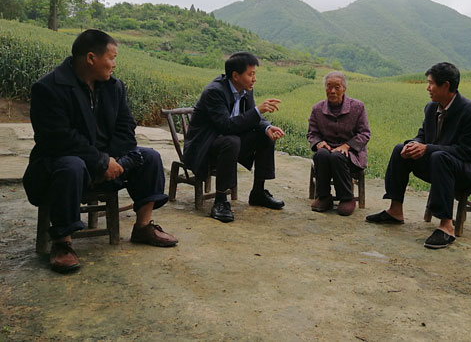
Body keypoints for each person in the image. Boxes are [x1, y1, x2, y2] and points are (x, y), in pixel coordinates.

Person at [23, 29, 178, 274]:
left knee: (150, 157)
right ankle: (62, 242)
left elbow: (126, 127)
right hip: (59, 162)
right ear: (91, 58)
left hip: (107, 159)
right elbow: (58, 138)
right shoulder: (48, 88)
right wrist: (100, 162)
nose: (114, 64)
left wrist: (112, 161)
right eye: (111, 58)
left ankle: (143, 227)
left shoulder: (114, 87)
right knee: (71, 166)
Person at [365, 62, 471, 249]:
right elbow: (423, 135)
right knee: (401, 149)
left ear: (446, 85)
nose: (428, 88)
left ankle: (446, 226)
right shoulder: (432, 108)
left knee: (439, 157)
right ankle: (395, 211)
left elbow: (466, 151)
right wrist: (414, 144)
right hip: (441, 165)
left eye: (431, 83)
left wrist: (427, 148)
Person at [183, 52, 286, 223]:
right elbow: (226, 126)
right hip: (205, 146)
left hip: (229, 144)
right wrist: (257, 111)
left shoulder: (246, 90)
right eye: (250, 74)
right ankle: (220, 200)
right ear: (236, 76)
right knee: (231, 141)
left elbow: (252, 117)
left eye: (255, 74)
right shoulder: (215, 92)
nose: (254, 79)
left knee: (265, 136)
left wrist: (267, 127)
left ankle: (258, 192)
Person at [307, 71, 370, 216]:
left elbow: (364, 133)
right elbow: (312, 133)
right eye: (329, 86)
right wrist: (319, 143)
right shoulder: (317, 109)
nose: (332, 91)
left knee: (337, 156)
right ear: (325, 88)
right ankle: (323, 197)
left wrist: (347, 146)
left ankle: (347, 198)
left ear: (344, 89)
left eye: (337, 87)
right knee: (321, 155)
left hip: (351, 153)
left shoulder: (357, 107)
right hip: (327, 149)